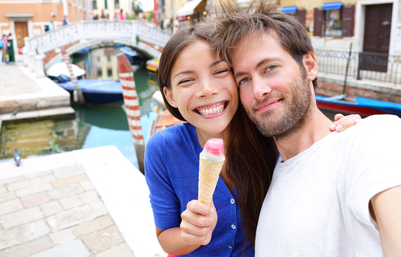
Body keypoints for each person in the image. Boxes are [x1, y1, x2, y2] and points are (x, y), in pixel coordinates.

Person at [212, 0, 401, 256]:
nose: (258, 91)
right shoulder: (267, 175)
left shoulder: (376, 139)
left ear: (309, 65)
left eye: (270, 68)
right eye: (244, 79)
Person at [145, 25, 361, 256]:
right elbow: (165, 237)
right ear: (169, 96)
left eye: (220, 72)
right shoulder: (163, 150)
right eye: (187, 80)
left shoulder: (271, 134)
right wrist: (190, 235)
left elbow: (312, 142)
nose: (207, 90)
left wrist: (345, 130)